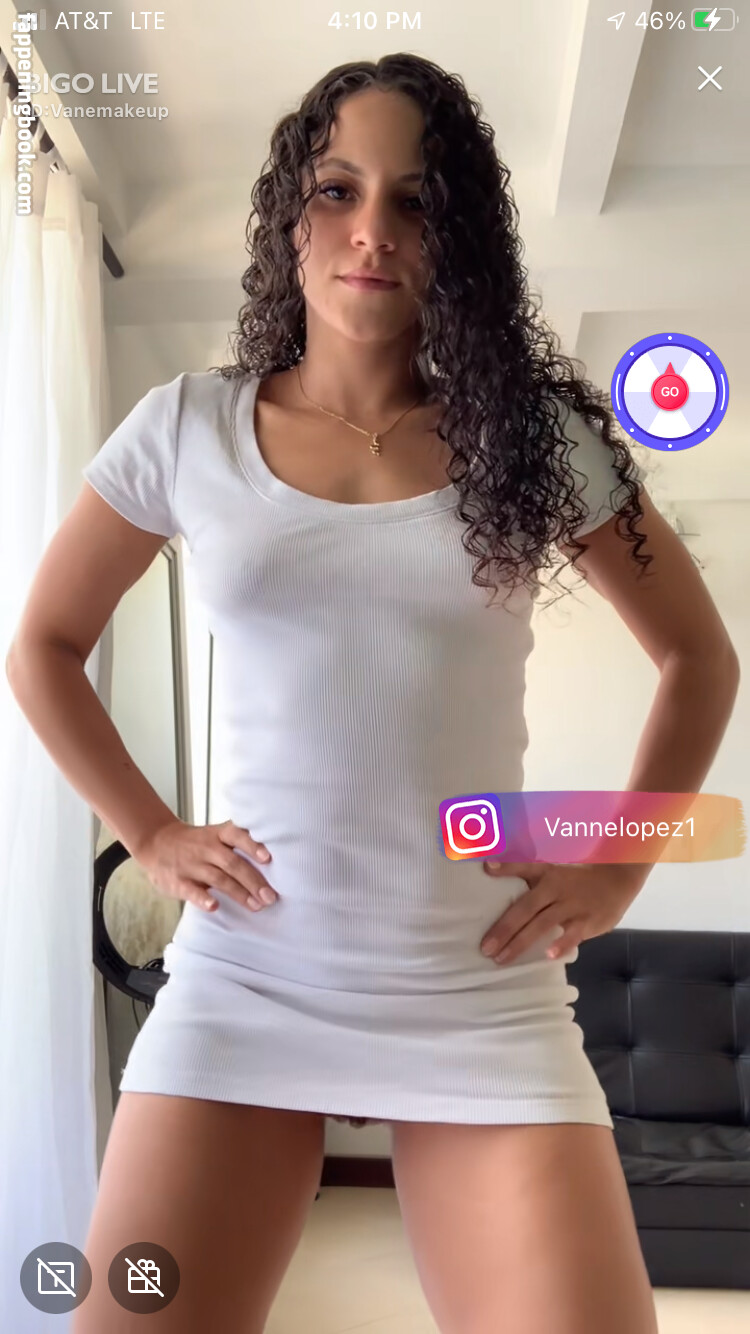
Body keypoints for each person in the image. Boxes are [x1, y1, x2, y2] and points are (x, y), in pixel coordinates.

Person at [8, 52, 739, 1334]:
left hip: (480, 989)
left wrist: (619, 866)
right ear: (290, 216)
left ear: (456, 239)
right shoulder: (185, 427)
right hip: (245, 981)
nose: (372, 231)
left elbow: (699, 658)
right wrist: (152, 831)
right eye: (339, 190)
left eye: (415, 201)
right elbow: (44, 646)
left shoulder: (536, 443)